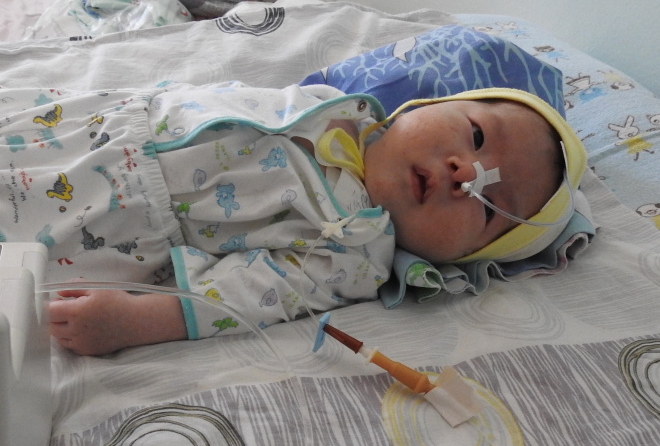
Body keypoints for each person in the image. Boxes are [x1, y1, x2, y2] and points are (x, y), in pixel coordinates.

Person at [0, 79, 585, 355]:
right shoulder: (336, 105)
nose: (467, 174)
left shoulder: (357, 253)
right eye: (477, 135)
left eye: (490, 205)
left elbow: (243, 295)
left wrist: (137, 321)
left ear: (465, 257)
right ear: (427, 105)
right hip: (93, 124)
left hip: (113, 220)